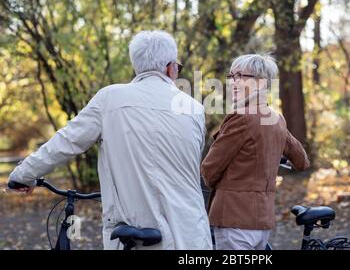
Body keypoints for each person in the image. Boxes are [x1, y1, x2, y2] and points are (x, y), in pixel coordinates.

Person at [8, 30, 212, 250]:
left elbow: (66, 142)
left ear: (137, 66)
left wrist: (23, 175)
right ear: (171, 68)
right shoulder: (195, 108)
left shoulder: (110, 98)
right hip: (192, 235)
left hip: (135, 234)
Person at [201, 54, 310, 250]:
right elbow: (302, 161)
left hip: (233, 219)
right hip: (262, 222)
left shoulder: (241, 117)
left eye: (241, 76)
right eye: (231, 76)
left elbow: (209, 170)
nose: (233, 82)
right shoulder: (277, 119)